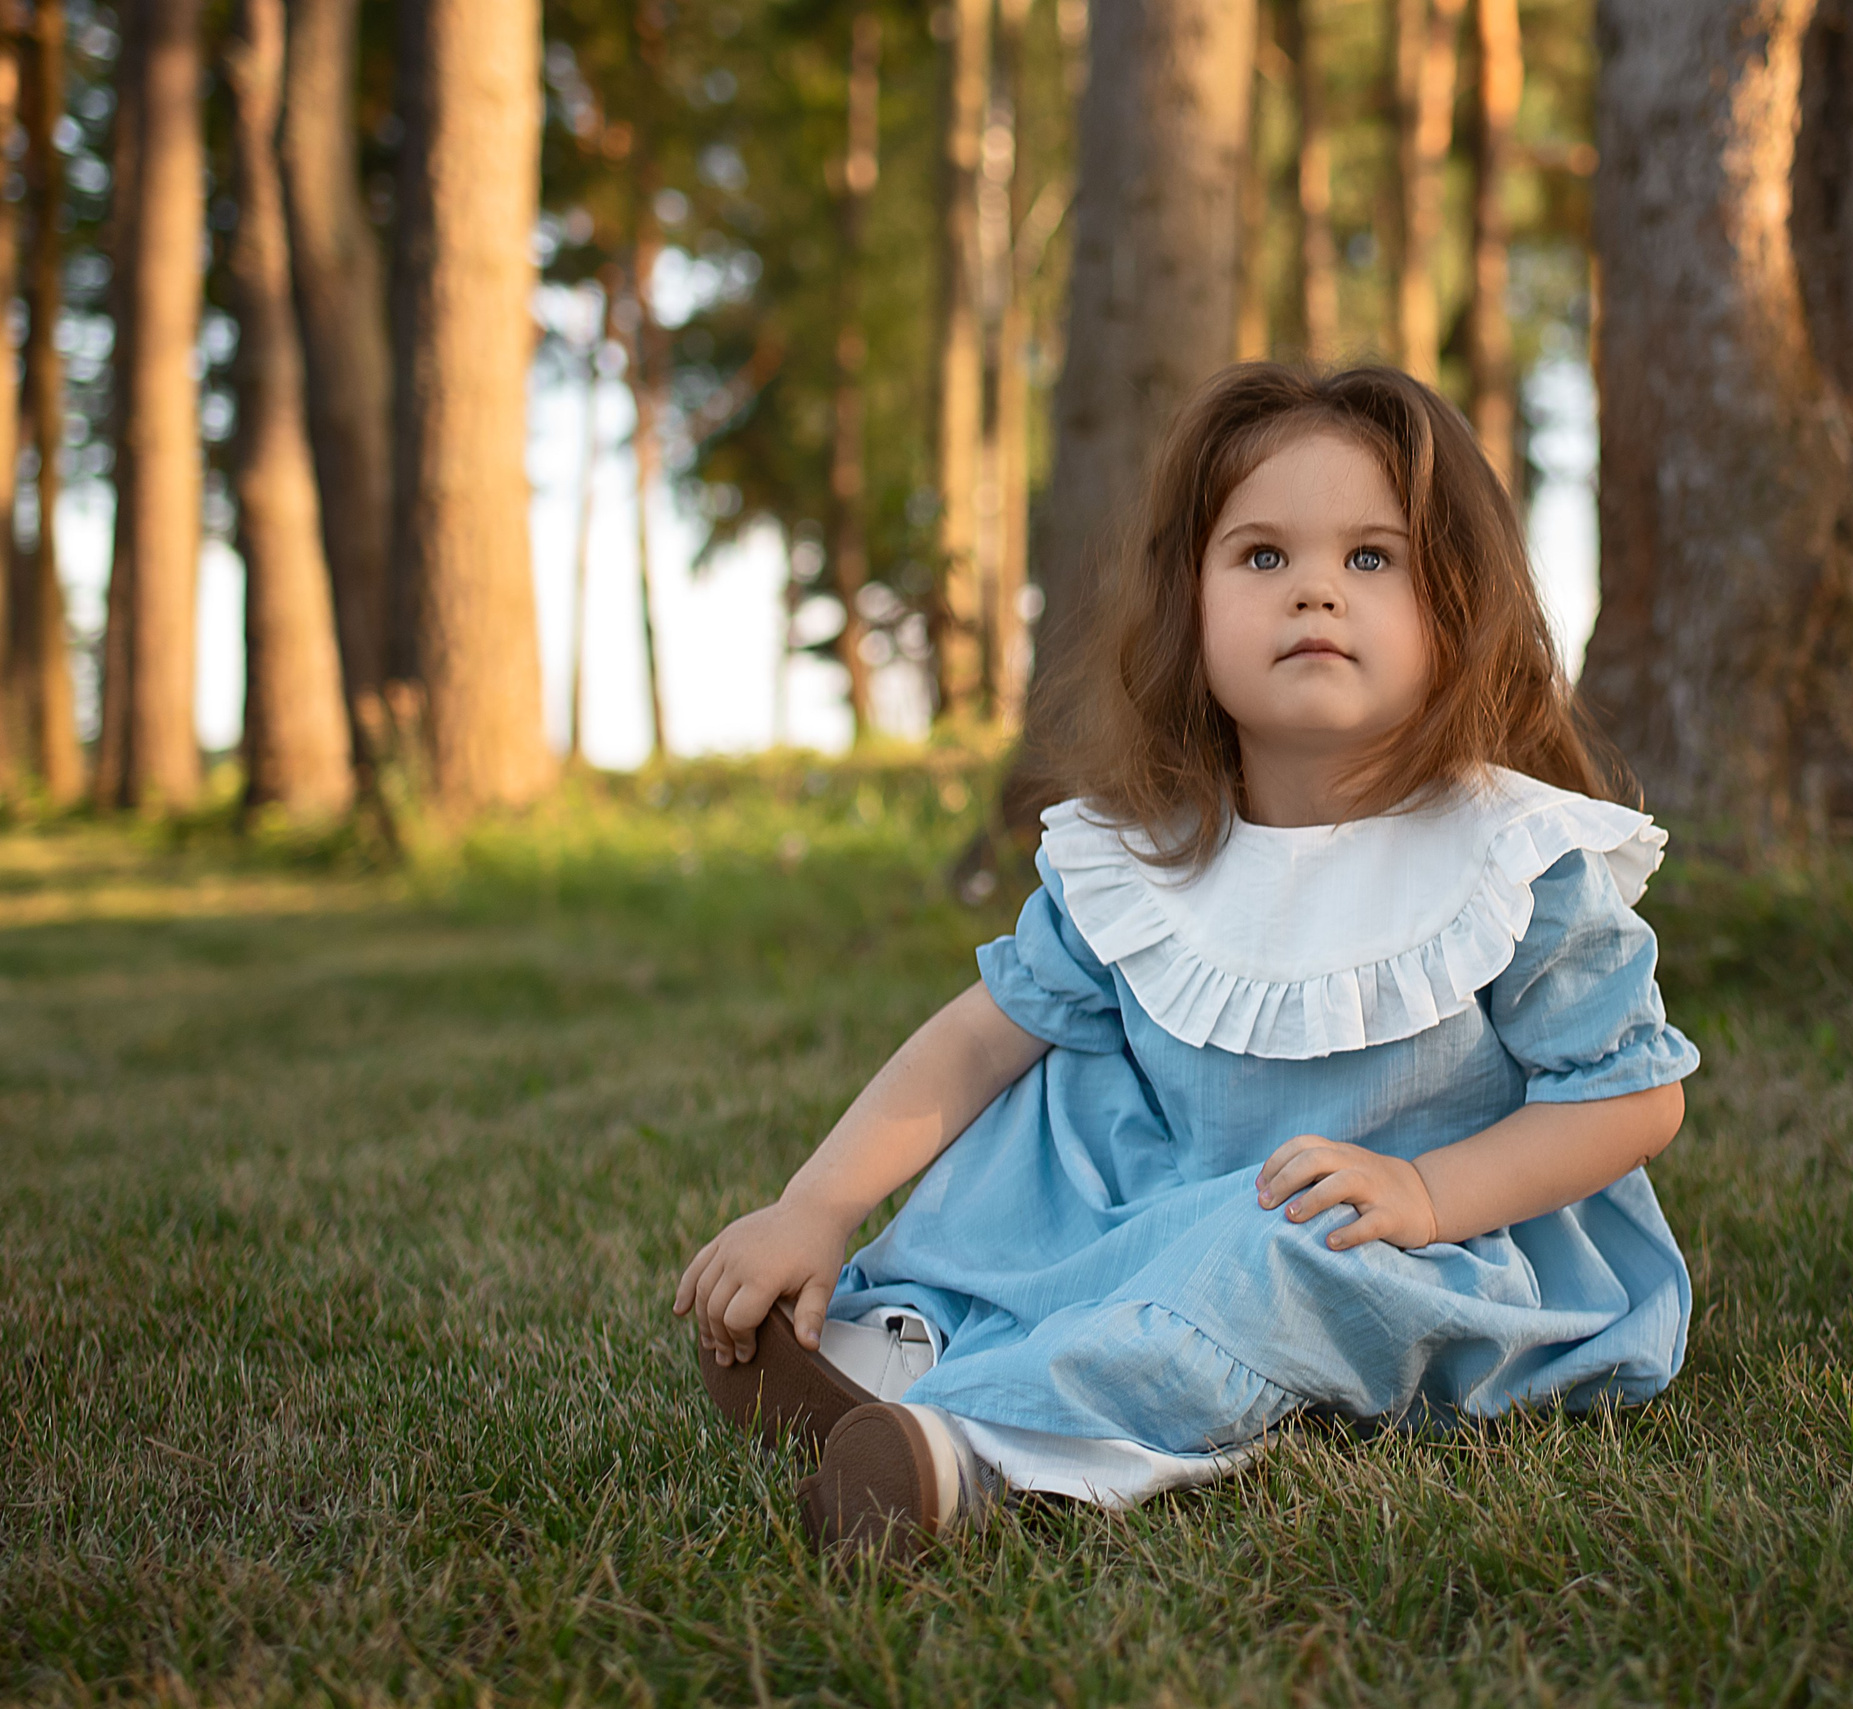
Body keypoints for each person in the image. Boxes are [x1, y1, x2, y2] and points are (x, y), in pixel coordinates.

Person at [674, 363, 1700, 1558]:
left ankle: (993, 1449)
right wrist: (817, 1203)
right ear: (1189, 604)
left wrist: (1427, 1195)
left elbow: (1631, 1096)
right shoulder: (1145, 860)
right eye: (1262, 556)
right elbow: (972, 1040)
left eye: (1371, 557)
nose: (1314, 587)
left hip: (1413, 1247)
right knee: (1057, 1084)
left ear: (1455, 604)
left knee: (1274, 1257)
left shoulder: (1511, 858)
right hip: (1155, 1214)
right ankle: (906, 1341)